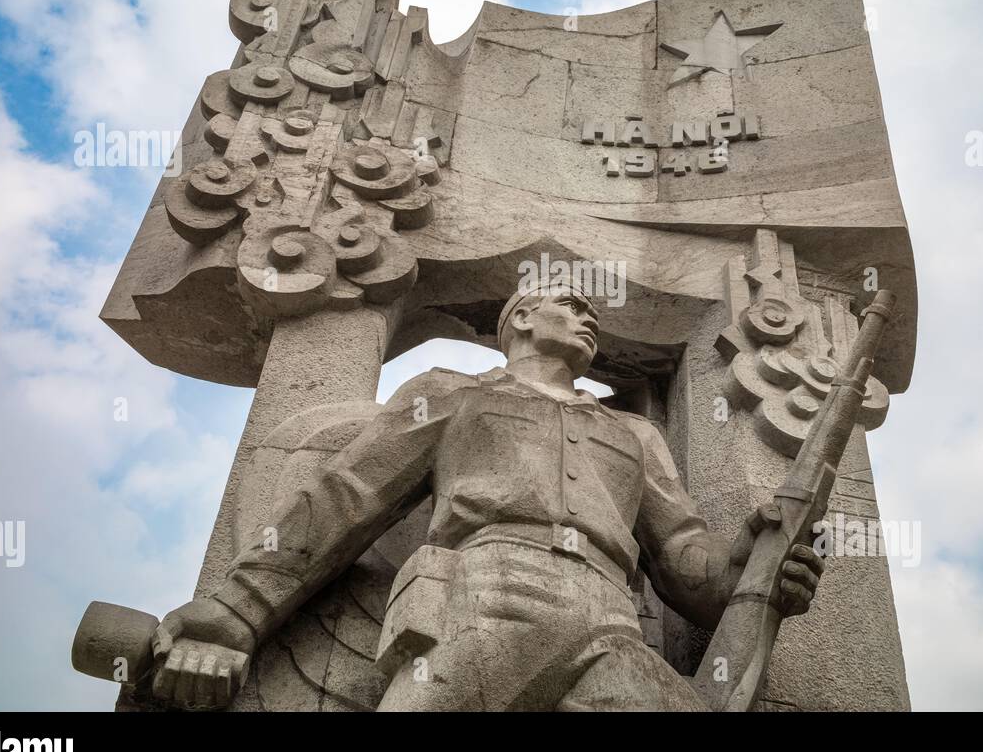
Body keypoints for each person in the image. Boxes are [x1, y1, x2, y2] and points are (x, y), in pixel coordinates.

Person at [151, 276, 823, 710]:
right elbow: (344, 498)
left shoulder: (636, 435)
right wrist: (233, 615)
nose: (589, 317)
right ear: (522, 317)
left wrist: (748, 569)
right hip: (482, 600)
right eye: (572, 304)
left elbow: (684, 558)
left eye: (592, 311)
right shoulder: (451, 393)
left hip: (611, 623)